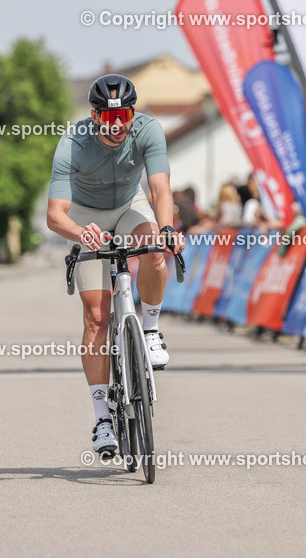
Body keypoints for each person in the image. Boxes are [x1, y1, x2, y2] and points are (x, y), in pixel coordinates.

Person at [46, 73, 185, 457]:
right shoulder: (73, 142)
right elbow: (55, 215)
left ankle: (152, 330)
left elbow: (159, 187)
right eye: (107, 119)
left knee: (154, 249)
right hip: (87, 217)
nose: (116, 126)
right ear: (93, 116)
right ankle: (103, 420)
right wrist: (79, 233)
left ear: (132, 113)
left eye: (122, 117)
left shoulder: (148, 131)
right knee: (96, 318)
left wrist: (169, 227)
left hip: (129, 207)